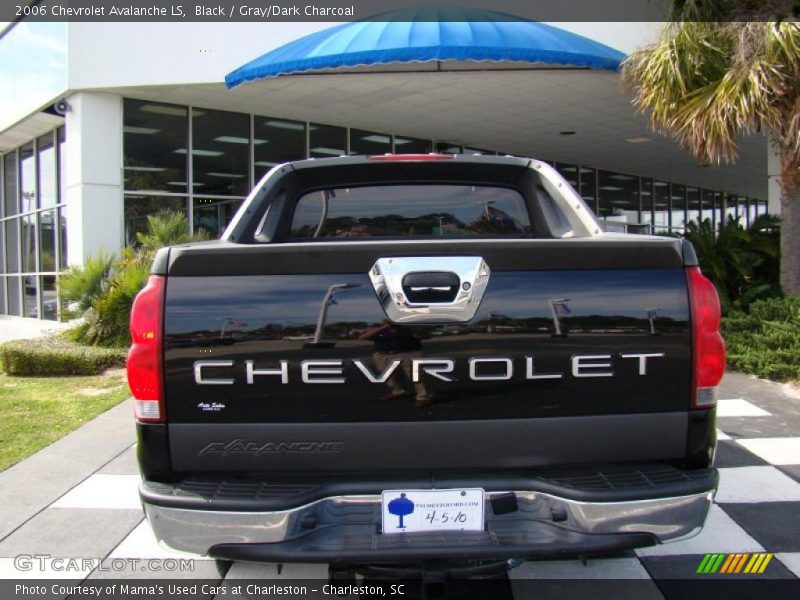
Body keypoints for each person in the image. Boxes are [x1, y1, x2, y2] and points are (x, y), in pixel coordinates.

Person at [358, 320, 431, 407]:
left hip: (408, 353)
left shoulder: (408, 329)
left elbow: (424, 336)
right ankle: (398, 391)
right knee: (388, 375)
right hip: (384, 355)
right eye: (387, 321)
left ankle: (423, 397)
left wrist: (408, 327)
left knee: (415, 375)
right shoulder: (380, 331)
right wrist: (383, 328)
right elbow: (362, 337)